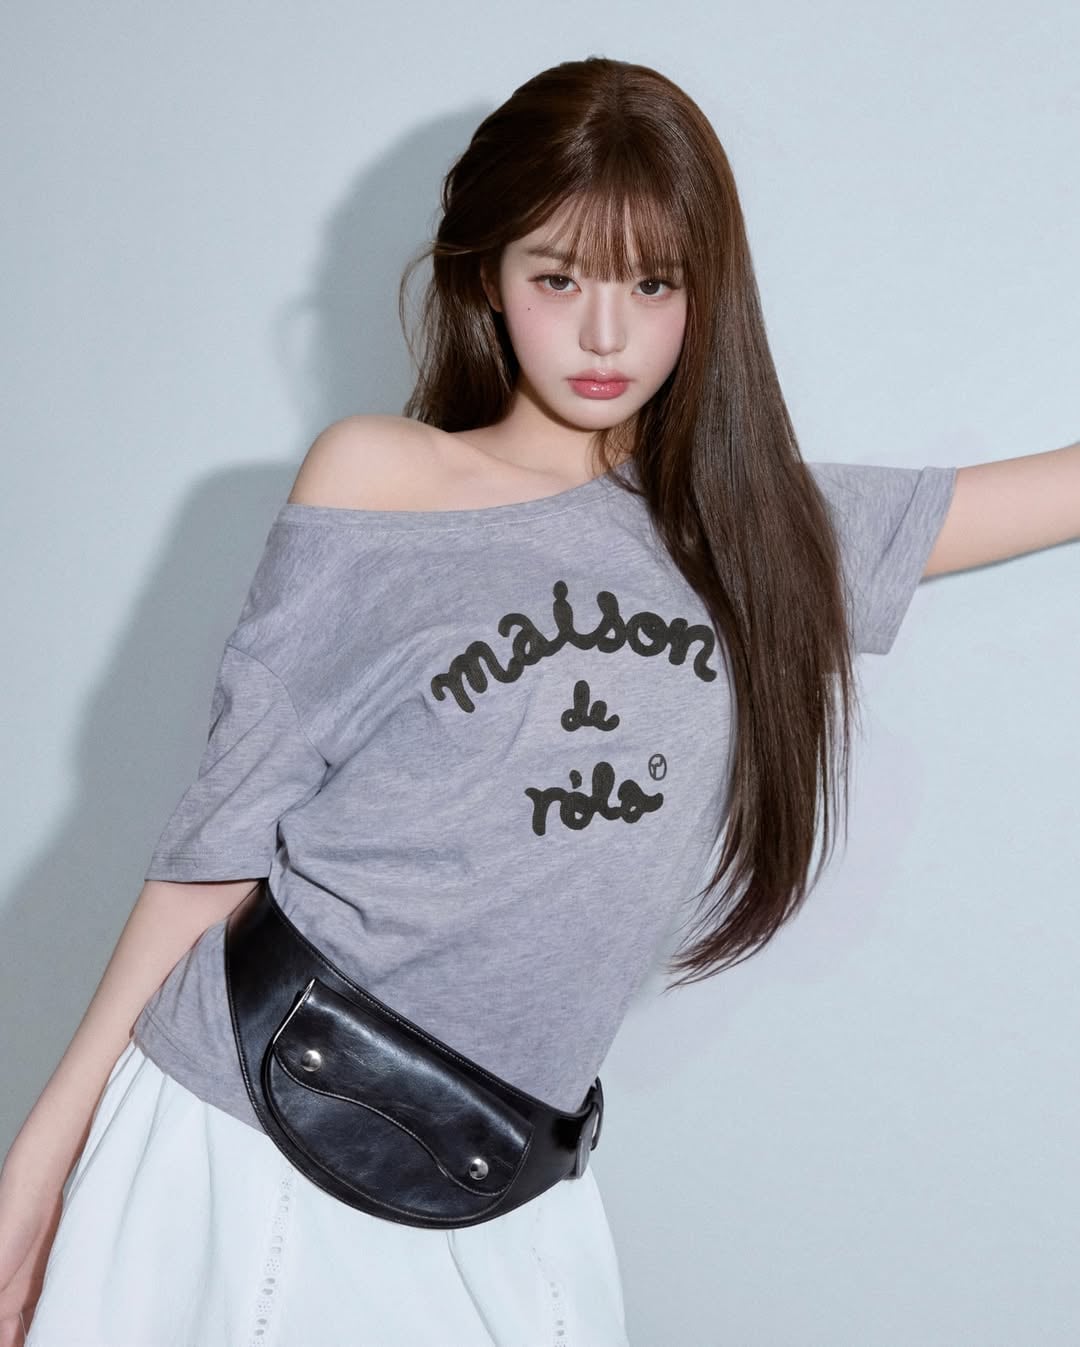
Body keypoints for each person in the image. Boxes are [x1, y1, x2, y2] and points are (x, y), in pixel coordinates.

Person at [1, 54, 1075, 1347]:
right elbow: (218, 845)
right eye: (559, 279)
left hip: (512, 1170)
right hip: (255, 1118)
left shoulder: (759, 534)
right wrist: (39, 1167)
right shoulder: (382, 478)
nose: (605, 335)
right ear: (487, 280)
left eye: (652, 283)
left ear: (707, 295)